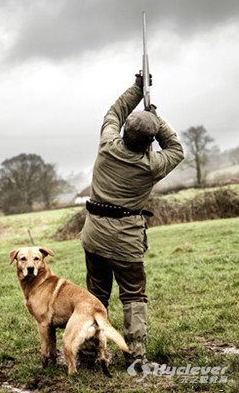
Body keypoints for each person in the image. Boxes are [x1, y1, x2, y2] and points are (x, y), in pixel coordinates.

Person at [80, 73, 184, 368]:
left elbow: (114, 112)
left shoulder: (106, 146)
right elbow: (176, 148)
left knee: (96, 294)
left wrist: (138, 89)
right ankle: (136, 358)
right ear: (150, 142)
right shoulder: (152, 166)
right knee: (133, 296)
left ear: (124, 132)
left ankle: (89, 353)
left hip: (95, 235)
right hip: (126, 240)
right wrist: (155, 118)